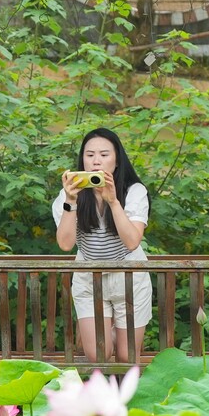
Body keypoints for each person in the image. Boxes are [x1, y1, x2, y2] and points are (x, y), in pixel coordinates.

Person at [54, 126, 150, 363]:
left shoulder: (134, 191)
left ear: (117, 160)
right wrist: (71, 201)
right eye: (90, 155)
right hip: (89, 276)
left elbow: (131, 241)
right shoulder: (68, 195)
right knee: (98, 355)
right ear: (82, 161)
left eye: (104, 155)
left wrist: (113, 201)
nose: (96, 161)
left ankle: (119, 338)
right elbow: (65, 244)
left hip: (129, 277)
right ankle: (110, 336)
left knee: (127, 357)